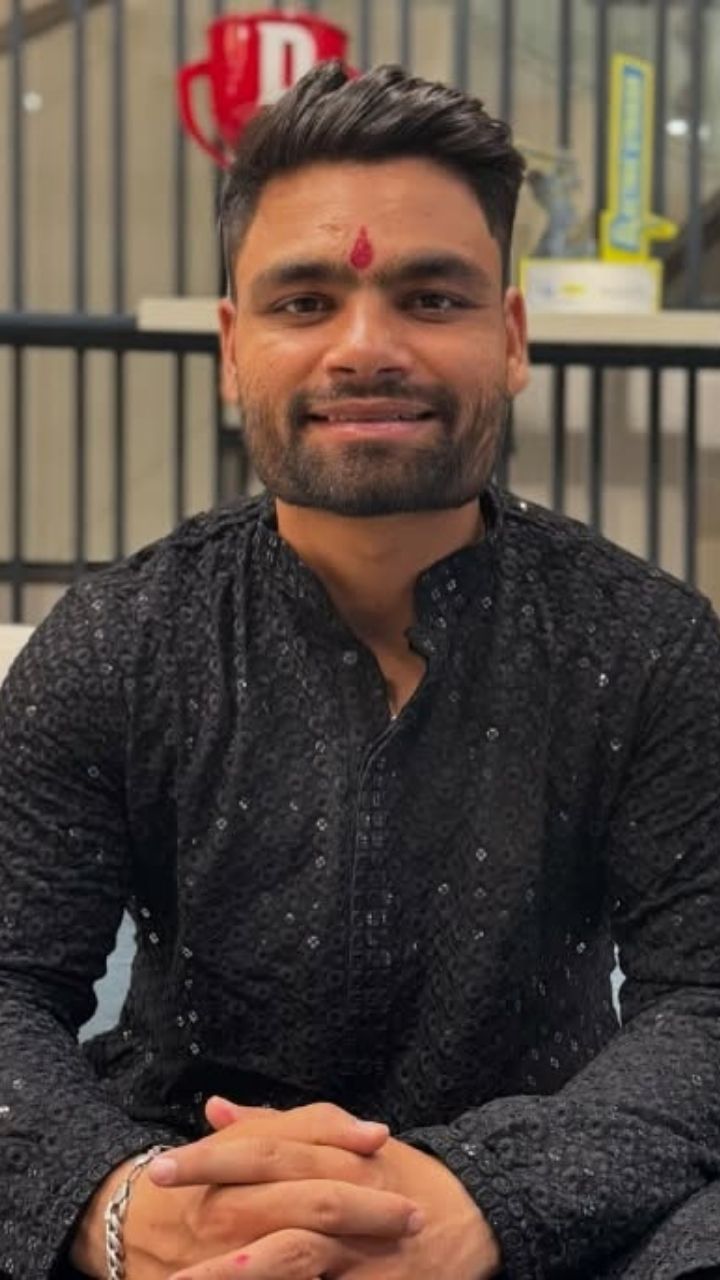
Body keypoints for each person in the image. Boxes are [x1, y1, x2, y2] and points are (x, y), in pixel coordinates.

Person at [1, 59, 720, 1280]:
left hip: (555, 1208)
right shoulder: (118, 640)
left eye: (431, 298)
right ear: (232, 346)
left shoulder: (649, 645)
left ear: (510, 338)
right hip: (181, 1198)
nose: (366, 347)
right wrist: (119, 1208)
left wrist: (490, 1197)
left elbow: (704, 1003)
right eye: (305, 301)